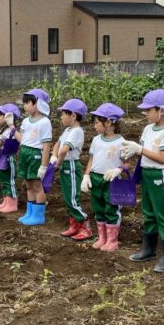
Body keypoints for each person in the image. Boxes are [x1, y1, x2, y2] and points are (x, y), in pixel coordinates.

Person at [120, 89, 164, 273]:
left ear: (161, 111)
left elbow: (162, 157)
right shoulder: (147, 129)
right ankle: (149, 249)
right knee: (148, 211)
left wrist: (139, 149)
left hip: (160, 175)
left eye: (149, 110)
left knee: (163, 215)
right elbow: (143, 150)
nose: (145, 113)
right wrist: (131, 152)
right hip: (146, 173)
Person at [81, 103, 126, 251]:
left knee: (112, 208)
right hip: (96, 178)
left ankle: (112, 240)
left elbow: (128, 164)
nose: (94, 126)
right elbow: (92, 159)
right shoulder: (96, 140)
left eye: (96, 122)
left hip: (112, 180)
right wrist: (86, 175)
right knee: (98, 207)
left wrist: (118, 170)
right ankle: (102, 238)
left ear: (108, 122)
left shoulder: (121, 142)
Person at [53, 99, 92, 240]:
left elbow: (64, 151)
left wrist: (57, 163)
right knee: (68, 198)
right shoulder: (68, 130)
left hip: (71, 166)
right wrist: (53, 155)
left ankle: (85, 226)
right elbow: (58, 144)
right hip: (65, 165)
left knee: (73, 199)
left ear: (73, 116)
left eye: (64, 113)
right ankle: (74, 226)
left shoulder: (77, 132)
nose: (61, 116)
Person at [15, 89, 52, 226]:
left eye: (27, 102)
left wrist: (43, 165)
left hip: (36, 154)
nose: (24, 106)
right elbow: (22, 139)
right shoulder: (25, 121)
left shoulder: (45, 122)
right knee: (28, 184)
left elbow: (46, 145)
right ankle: (30, 213)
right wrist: (12, 127)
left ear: (38, 104)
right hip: (25, 152)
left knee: (37, 185)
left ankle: (38, 215)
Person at [0, 103, 20, 213]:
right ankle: (6, 201)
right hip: (2, 157)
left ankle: (13, 203)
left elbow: (0, 143)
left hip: (9, 158)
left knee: (10, 181)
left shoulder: (10, 130)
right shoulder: (2, 129)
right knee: (3, 180)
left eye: (0, 115)